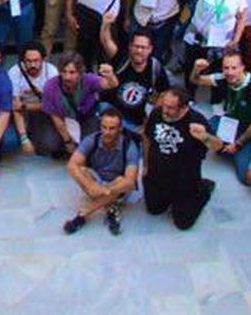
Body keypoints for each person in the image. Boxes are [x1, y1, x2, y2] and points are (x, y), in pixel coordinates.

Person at [187, 52, 251, 187]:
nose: (229, 72)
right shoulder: (223, 78)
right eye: (226, 68)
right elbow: (195, 80)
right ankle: (225, 148)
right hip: (231, 121)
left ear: (243, 67)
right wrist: (196, 68)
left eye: (234, 68)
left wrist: (238, 144)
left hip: (250, 131)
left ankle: (236, 150)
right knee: (202, 128)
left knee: (245, 177)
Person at [141, 88, 215, 230]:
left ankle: (204, 187)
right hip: (158, 174)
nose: (165, 111)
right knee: (154, 210)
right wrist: (146, 164)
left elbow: (218, 146)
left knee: (183, 223)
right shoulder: (157, 113)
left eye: (170, 108)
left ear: (184, 108)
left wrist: (205, 137)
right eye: (164, 105)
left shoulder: (196, 120)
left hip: (183, 178)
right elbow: (146, 137)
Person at [61, 108, 141, 236]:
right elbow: (72, 165)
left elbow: (130, 181)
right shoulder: (92, 139)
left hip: (116, 186)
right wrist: (91, 186)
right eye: (104, 127)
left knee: (121, 182)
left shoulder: (129, 146)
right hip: (97, 180)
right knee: (81, 170)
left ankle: (84, 213)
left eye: (112, 128)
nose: (107, 132)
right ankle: (111, 206)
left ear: (120, 129)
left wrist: (105, 190)